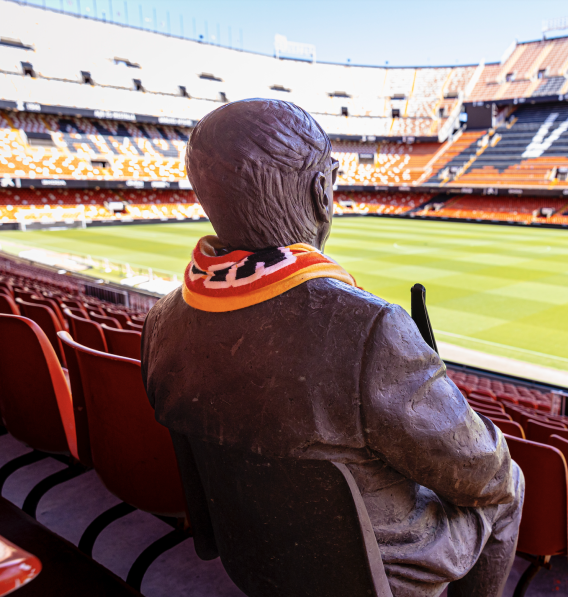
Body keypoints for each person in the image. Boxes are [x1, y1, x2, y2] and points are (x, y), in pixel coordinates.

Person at [141, 99, 523, 597]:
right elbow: (484, 476)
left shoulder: (160, 320)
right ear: (321, 191)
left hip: (253, 558)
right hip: (371, 576)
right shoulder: (371, 328)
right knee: (509, 484)